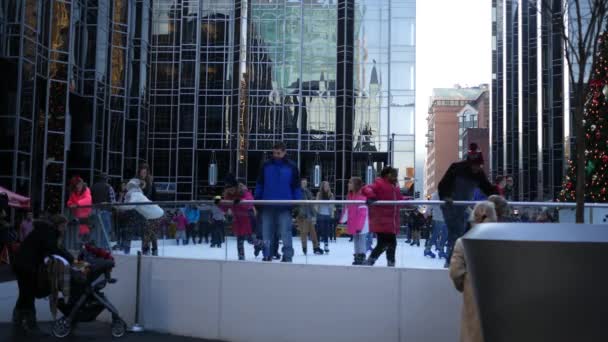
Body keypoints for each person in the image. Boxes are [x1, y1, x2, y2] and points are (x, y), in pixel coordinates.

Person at [438, 143, 497, 268]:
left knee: (468, 232)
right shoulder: (456, 168)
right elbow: (443, 184)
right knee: (456, 232)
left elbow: (488, 188)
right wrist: (446, 197)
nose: (476, 168)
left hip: (463, 207)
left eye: (479, 165)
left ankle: (457, 260)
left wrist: (498, 195)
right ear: (469, 163)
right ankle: (451, 263)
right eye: (474, 165)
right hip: (450, 206)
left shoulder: (479, 174)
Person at [12, 215, 74, 333]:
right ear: (59, 225)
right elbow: (54, 249)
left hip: (21, 264)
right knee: (28, 294)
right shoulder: (49, 233)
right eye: (64, 226)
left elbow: (55, 249)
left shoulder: (45, 231)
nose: (65, 229)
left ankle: (18, 321)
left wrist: (68, 256)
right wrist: (71, 259)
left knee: (25, 293)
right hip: (26, 266)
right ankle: (31, 325)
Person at [450, 201, 497, 342]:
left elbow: (455, 272)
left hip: (473, 296)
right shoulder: (503, 241)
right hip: (501, 298)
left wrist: (466, 285)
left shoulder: (462, 242)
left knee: (472, 332)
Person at [254, 142, 302, 263]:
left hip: (285, 206)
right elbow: (260, 184)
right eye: (274, 153)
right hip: (267, 205)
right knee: (266, 232)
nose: (276, 155)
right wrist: (257, 200)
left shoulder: (292, 167)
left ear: (284, 152)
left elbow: (296, 187)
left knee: (285, 232)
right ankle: (267, 254)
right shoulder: (265, 166)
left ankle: (287, 255)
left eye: (279, 153)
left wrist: (297, 203)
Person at [362, 166, 406, 267]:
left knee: (388, 244)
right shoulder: (380, 183)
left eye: (396, 175)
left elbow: (399, 199)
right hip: (382, 221)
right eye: (394, 175)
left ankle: (386, 262)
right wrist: (372, 196)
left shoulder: (395, 186)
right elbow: (366, 188)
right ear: (387, 174)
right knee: (386, 244)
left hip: (391, 222)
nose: (396, 177)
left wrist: (408, 200)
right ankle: (383, 262)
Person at [222, 175, 264, 260]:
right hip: (238, 220)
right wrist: (218, 201)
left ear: (236, 187)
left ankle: (263, 245)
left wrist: (239, 201)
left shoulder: (243, 191)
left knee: (250, 239)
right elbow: (225, 207)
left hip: (248, 219)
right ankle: (241, 257)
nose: (231, 191)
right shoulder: (228, 195)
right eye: (229, 190)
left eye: (232, 189)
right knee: (240, 240)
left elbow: (249, 202)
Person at [340, 177, 368, 265]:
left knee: (361, 240)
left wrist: (359, 226)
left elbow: (362, 214)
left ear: (355, 185)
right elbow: (347, 209)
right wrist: (342, 220)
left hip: (362, 224)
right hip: (354, 223)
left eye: (350, 183)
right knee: (356, 240)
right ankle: (357, 256)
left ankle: (361, 256)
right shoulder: (350, 196)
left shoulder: (362, 196)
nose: (348, 184)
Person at [297, 178, 323, 255]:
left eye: (305, 183)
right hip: (302, 215)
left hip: (308, 215)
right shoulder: (298, 192)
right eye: (303, 183)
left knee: (313, 232)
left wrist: (314, 214)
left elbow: (311, 203)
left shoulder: (308, 192)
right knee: (304, 232)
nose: (305, 184)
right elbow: (298, 204)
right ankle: (304, 248)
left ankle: (316, 247)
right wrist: (300, 213)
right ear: (300, 183)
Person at [138, 163, 159, 255]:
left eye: (145, 171)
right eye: (142, 171)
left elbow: (154, 196)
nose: (143, 173)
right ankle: (145, 248)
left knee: (150, 230)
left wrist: (154, 206)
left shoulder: (150, 182)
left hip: (150, 209)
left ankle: (153, 249)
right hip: (142, 209)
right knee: (145, 230)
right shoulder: (137, 182)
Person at [90, 173, 116, 248]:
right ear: (106, 179)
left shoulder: (92, 187)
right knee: (105, 231)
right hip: (105, 211)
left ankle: (94, 247)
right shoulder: (109, 187)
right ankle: (103, 248)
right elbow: (112, 201)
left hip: (94, 211)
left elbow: (90, 200)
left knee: (95, 230)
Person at [67, 176, 93, 242]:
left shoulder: (86, 190)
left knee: (85, 233)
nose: (78, 186)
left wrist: (77, 204)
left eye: (79, 184)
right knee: (78, 234)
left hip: (85, 215)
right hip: (77, 215)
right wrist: (70, 204)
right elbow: (70, 201)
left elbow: (88, 199)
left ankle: (85, 246)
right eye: (76, 185)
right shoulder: (73, 192)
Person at [423, 192, 448, 259]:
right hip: (438, 218)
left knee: (445, 234)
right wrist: (427, 212)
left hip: (446, 217)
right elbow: (431, 203)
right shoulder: (436, 194)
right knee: (435, 234)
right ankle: (427, 249)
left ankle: (441, 250)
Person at [316, 181, 335, 253]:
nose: (327, 187)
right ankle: (317, 246)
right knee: (319, 230)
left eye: (328, 185)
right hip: (320, 214)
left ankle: (326, 246)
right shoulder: (319, 194)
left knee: (326, 231)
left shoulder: (331, 194)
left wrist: (332, 214)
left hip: (327, 215)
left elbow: (332, 205)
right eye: (325, 185)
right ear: (322, 186)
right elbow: (316, 204)